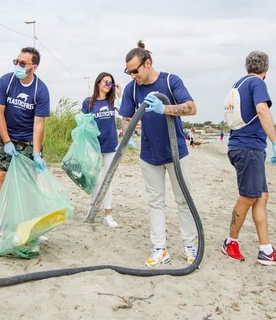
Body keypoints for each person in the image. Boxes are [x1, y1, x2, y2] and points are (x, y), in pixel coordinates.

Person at [118, 47, 199, 267]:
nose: (133, 76)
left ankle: (190, 246)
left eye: (135, 71)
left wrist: (165, 108)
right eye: (128, 72)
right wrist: (128, 131)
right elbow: (126, 116)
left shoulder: (171, 81)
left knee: (184, 200)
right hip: (149, 154)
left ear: (147, 63)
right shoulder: (132, 89)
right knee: (155, 202)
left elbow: (191, 108)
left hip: (176, 153)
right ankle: (159, 248)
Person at [221, 50, 276, 266]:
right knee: (248, 197)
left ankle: (266, 250)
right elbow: (262, 110)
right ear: (266, 70)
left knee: (261, 197)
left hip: (242, 146)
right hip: (248, 147)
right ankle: (230, 242)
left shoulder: (239, 83)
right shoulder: (257, 84)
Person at [0, 47, 50, 200]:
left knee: (27, 182)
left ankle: (24, 218)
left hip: (27, 139)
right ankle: (0, 216)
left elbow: (38, 124)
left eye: (22, 63)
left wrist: (36, 153)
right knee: (2, 177)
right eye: (16, 61)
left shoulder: (41, 90)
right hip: (7, 135)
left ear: (34, 67)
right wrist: (7, 141)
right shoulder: (6, 81)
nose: (18, 66)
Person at [82, 72, 119, 228]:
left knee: (108, 180)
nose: (108, 85)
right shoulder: (88, 103)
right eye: (105, 82)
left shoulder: (113, 101)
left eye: (110, 83)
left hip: (111, 146)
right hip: (94, 146)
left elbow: (125, 113)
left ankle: (108, 214)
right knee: (95, 180)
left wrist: (119, 93)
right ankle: (93, 208)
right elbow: (83, 124)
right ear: (98, 83)